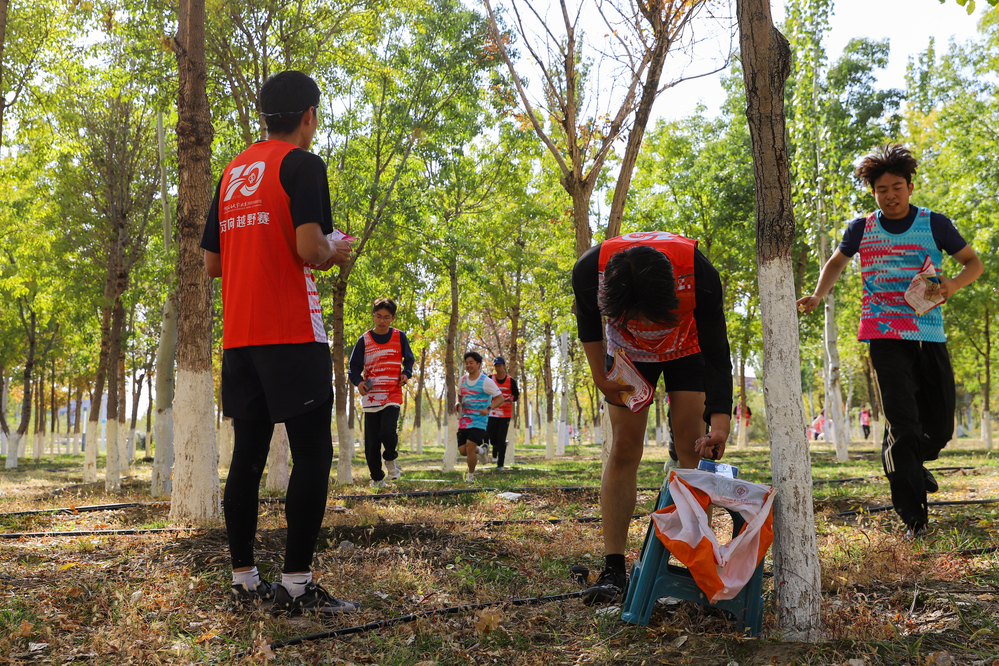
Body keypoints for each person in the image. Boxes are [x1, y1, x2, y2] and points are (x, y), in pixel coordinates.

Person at [201, 70, 358, 616]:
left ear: (266, 116)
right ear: (309, 116)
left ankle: (245, 579)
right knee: (313, 453)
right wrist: (335, 251)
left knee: (247, 455)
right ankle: (295, 584)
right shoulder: (303, 165)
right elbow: (310, 248)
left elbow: (212, 263)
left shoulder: (232, 173)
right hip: (291, 332)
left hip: (240, 338)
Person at [797, 144, 983, 537]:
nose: (891, 195)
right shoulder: (861, 228)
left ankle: (910, 462)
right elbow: (836, 262)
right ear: (874, 193)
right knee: (903, 422)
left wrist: (953, 284)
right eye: (882, 190)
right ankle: (914, 519)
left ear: (910, 187)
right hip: (884, 336)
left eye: (897, 187)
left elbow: (974, 263)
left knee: (940, 426)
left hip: (929, 334)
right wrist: (817, 295)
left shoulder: (935, 224)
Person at [572, 230, 732, 604]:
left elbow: (716, 351)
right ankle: (613, 568)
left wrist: (720, 422)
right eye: (636, 317)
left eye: (654, 317)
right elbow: (588, 324)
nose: (647, 327)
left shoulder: (699, 274)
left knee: (693, 447)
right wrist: (600, 377)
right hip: (627, 356)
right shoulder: (589, 271)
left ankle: (695, 565)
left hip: (686, 349)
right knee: (624, 448)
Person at [349, 298, 415, 489]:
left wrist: (406, 374)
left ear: (392, 318)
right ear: (373, 316)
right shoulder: (364, 340)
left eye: (386, 317)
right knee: (372, 443)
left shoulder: (400, 337)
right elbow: (353, 368)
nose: (382, 321)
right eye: (378, 316)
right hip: (371, 397)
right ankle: (377, 479)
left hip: (392, 394)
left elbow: (409, 360)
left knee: (387, 431)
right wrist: (359, 382)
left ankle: (390, 458)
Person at [455, 352, 505, 482]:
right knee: (463, 451)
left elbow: (500, 398)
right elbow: (459, 394)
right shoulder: (462, 380)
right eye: (467, 363)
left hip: (479, 420)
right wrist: (458, 402)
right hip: (465, 420)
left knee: (470, 445)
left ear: (478, 364)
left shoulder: (486, 381)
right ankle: (482, 451)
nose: (468, 365)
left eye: (471, 363)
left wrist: (488, 408)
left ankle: (470, 476)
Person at [486, 356, 520, 469]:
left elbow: (516, 395)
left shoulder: (510, 381)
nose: (498, 368)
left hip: (505, 414)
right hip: (492, 412)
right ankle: (501, 445)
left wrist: (511, 398)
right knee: (492, 438)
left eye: (500, 365)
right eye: (496, 366)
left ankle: (500, 464)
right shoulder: (490, 379)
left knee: (500, 439)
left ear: (504, 366)